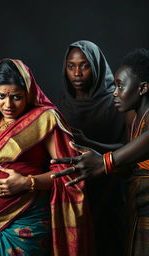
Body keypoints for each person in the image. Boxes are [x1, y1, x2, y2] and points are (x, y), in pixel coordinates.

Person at [0, 59, 93, 256]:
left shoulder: (46, 118)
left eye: (16, 97)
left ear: (29, 93)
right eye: (1, 96)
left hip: (23, 224)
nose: (8, 105)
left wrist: (27, 182)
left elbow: (71, 172)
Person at [52, 48, 149, 256]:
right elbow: (131, 152)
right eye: (114, 86)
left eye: (120, 86)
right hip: (137, 212)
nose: (115, 92)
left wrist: (104, 162)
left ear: (142, 88)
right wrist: (91, 144)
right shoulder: (136, 119)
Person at [59, 40, 127, 255]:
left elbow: (131, 149)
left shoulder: (116, 103)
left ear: (96, 66)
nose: (77, 73)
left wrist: (88, 141)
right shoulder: (62, 106)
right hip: (74, 195)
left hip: (111, 192)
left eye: (84, 65)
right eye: (71, 66)